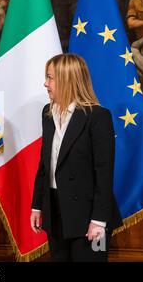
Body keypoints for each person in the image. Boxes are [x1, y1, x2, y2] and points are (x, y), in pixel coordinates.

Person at [30, 54, 123, 262]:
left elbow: (104, 172)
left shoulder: (98, 117)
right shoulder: (48, 113)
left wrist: (98, 220)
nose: (46, 83)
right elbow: (45, 165)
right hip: (56, 211)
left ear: (66, 79)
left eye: (50, 77)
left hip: (89, 217)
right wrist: (37, 205)